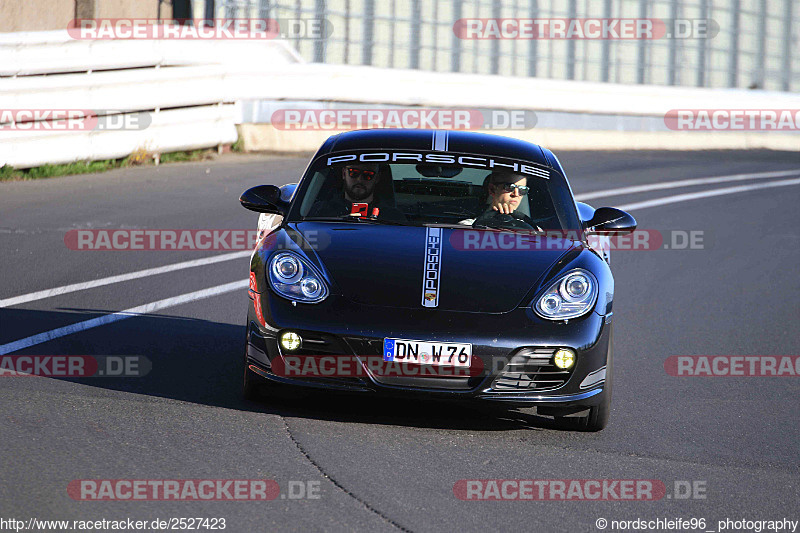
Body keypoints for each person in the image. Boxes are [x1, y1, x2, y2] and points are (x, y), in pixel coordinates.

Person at [306, 163, 406, 221]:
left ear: (377, 178)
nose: (359, 179)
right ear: (344, 173)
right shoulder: (320, 212)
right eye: (354, 173)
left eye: (368, 175)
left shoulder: (393, 217)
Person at [461, 171, 542, 230]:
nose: (516, 194)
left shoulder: (534, 230)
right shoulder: (467, 226)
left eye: (522, 189)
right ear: (492, 189)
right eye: (510, 187)